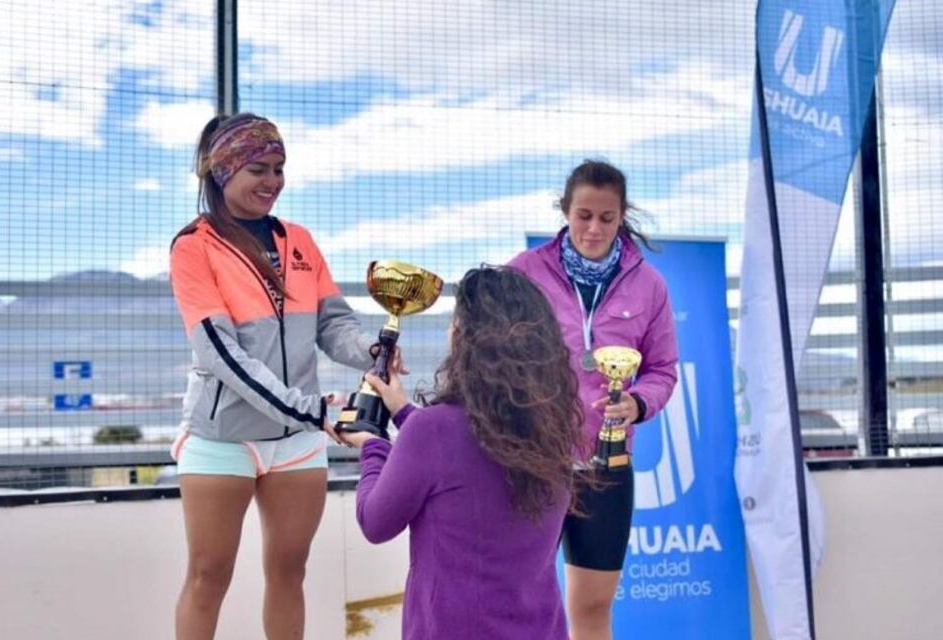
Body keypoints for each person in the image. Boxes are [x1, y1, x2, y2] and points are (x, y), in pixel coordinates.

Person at [168, 112, 376, 640]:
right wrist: (309, 409)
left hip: (297, 443)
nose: (273, 182)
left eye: (279, 168)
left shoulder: (299, 240)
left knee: (289, 574)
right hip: (223, 440)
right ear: (222, 172)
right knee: (208, 577)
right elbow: (221, 353)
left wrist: (371, 350)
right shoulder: (194, 246)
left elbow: (334, 322)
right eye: (258, 168)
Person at [339, 266, 584, 640]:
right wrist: (404, 413)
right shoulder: (551, 434)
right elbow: (473, 455)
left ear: (469, 338)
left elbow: (375, 522)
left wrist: (374, 447)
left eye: (455, 322)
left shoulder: (433, 432)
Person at [508, 159, 679, 640]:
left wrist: (638, 404)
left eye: (607, 217)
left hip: (606, 466)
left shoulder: (649, 285)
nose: (594, 228)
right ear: (565, 211)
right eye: (584, 215)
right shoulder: (524, 272)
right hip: (533, 462)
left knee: (592, 605)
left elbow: (662, 369)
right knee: (521, 598)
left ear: (622, 216)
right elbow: (486, 348)